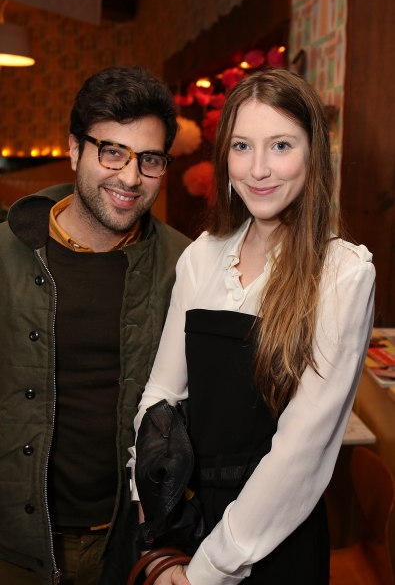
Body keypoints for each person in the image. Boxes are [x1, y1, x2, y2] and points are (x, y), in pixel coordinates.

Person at [130, 68, 376, 585]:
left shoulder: (343, 273)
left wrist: (208, 571)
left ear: (314, 154)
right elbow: (161, 397)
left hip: (272, 538)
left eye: (281, 145)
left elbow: (299, 454)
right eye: (242, 146)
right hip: (186, 520)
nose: (258, 169)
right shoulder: (203, 255)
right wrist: (153, 511)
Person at [0, 65, 190, 585]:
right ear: (74, 148)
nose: (130, 178)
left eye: (149, 159)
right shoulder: (6, 254)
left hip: (129, 541)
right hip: (14, 546)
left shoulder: (187, 266)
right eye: (112, 152)